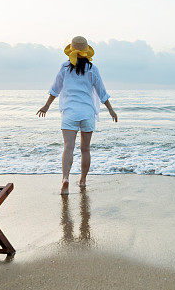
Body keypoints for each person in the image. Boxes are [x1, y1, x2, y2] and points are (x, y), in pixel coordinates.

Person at [36, 36, 117, 195]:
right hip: (87, 112)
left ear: (72, 50)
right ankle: (83, 180)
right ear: (86, 51)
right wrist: (111, 110)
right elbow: (102, 93)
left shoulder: (65, 67)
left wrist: (46, 106)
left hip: (70, 112)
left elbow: (55, 89)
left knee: (68, 147)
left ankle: (65, 178)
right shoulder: (92, 69)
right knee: (85, 149)